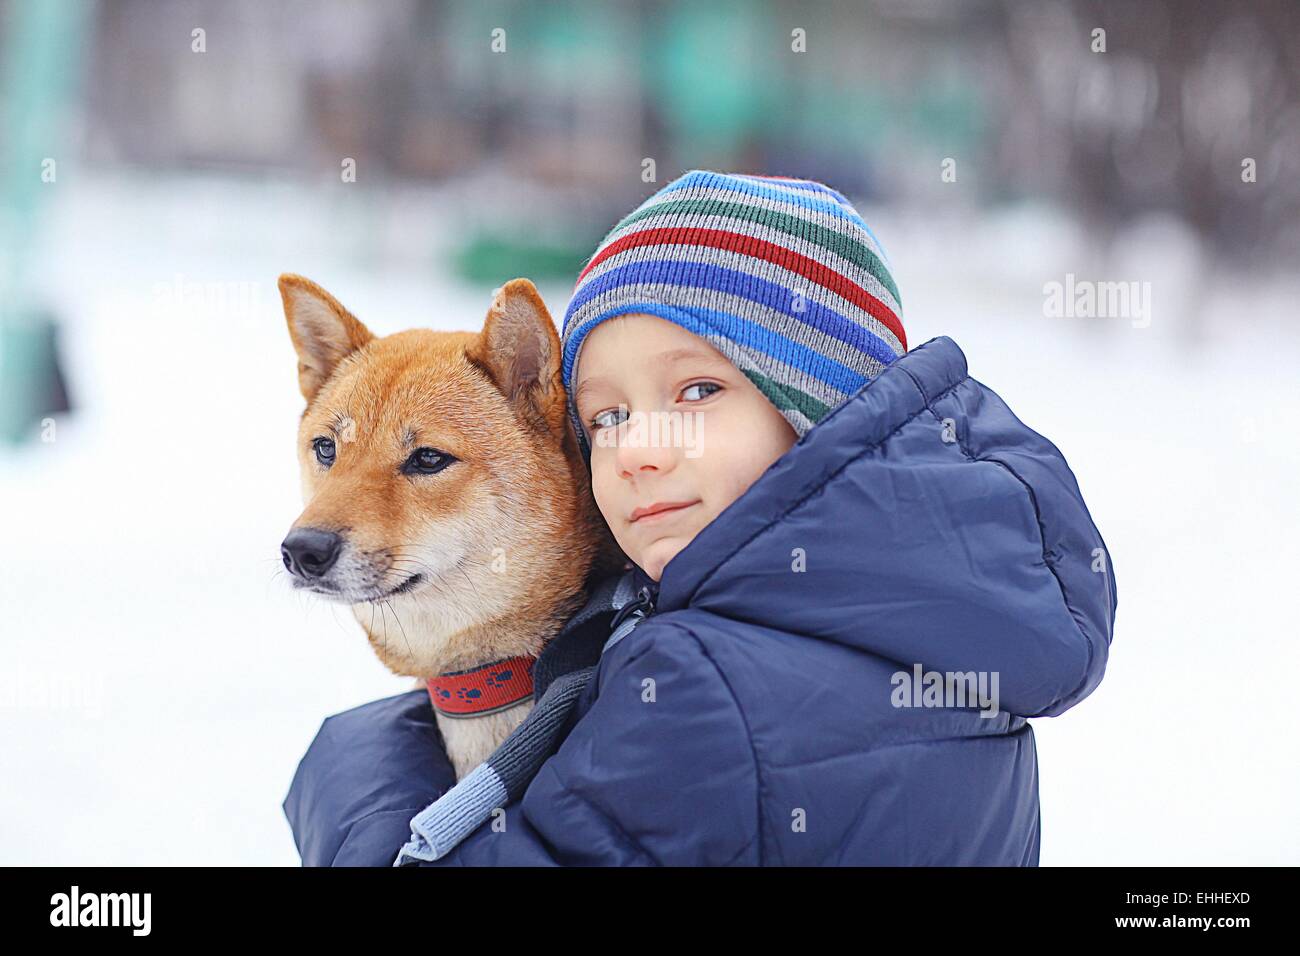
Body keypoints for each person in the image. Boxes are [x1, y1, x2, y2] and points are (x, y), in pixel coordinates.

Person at [283, 170, 1117, 866]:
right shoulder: (920, 622)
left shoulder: (699, 692)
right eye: (605, 417)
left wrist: (357, 774)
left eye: (698, 393)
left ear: (821, 402)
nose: (640, 449)